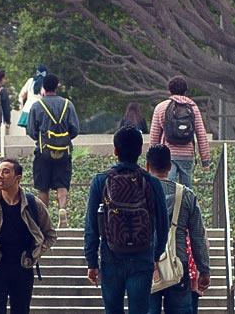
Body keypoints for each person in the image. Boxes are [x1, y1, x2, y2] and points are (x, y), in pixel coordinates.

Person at [82, 127, 169, 314]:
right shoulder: (151, 182)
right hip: (142, 256)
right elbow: (163, 224)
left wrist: (91, 261)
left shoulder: (101, 180)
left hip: (110, 255)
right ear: (140, 151)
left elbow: (91, 225)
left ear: (115, 150)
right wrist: (156, 255)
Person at [0, 157, 57, 314]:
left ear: (18, 177)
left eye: (5, 172)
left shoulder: (33, 204)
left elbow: (50, 234)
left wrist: (35, 253)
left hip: (22, 267)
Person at [145, 145, 211, 313]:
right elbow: (197, 236)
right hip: (178, 264)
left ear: (147, 166)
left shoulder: (140, 193)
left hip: (147, 264)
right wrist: (204, 269)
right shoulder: (186, 195)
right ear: (169, 167)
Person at [27, 75, 81, 227]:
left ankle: (44, 218)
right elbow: (75, 129)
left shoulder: (37, 106)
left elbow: (31, 131)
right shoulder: (67, 105)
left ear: (43, 87)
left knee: (43, 186)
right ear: (57, 86)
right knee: (62, 183)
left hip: (43, 152)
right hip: (64, 151)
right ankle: (62, 210)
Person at [148, 76, 212, 187]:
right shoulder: (192, 107)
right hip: (187, 155)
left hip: (168, 155)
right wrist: (205, 160)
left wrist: (151, 159)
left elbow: (154, 136)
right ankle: (186, 204)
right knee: (186, 189)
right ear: (185, 91)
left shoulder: (161, 107)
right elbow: (201, 134)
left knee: (168, 187)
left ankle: (169, 204)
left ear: (170, 90)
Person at [15, 64, 48, 132]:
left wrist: (21, 106)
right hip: (42, 110)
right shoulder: (46, 83)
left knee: (29, 134)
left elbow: (21, 95)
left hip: (28, 109)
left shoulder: (30, 81)